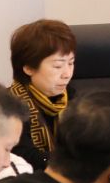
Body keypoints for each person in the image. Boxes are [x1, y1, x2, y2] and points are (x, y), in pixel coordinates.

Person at [7, 18, 76, 173]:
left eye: (71, 63)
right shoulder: (10, 106)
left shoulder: (73, 99)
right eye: (58, 66)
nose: (67, 74)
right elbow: (22, 156)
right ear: (28, 68)